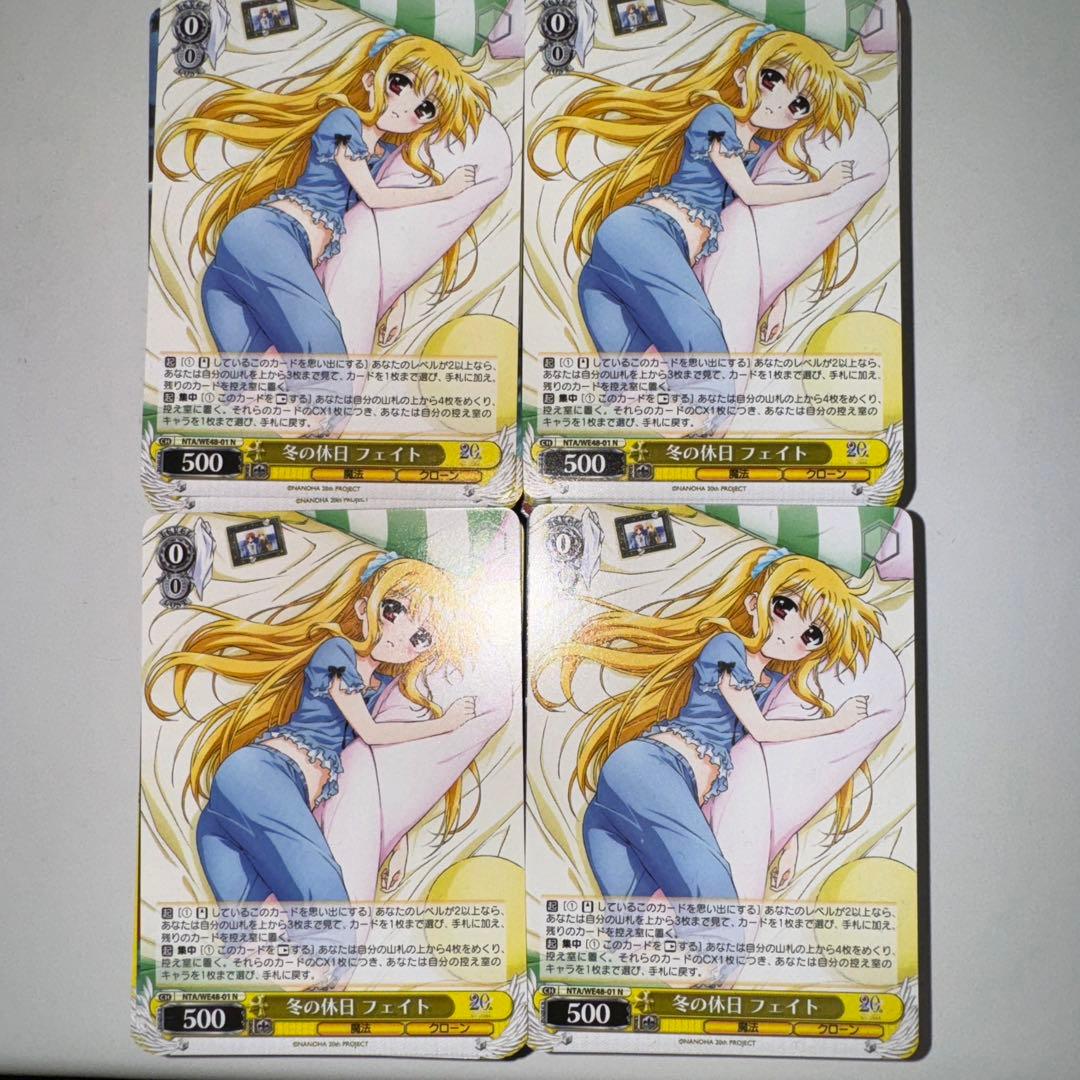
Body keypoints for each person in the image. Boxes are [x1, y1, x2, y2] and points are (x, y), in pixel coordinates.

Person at [535, 546, 880, 900]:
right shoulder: (727, 649)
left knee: (645, 926)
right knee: (717, 908)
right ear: (753, 603)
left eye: (812, 634)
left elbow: (769, 768)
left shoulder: (776, 688)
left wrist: (787, 839)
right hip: (653, 770)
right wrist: (837, 723)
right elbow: (761, 730)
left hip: (625, 814)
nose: (792, 633)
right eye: (784, 607)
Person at [528, 23, 865, 364]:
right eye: (771, 79)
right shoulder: (717, 117)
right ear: (742, 75)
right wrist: (822, 187)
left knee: (635, 381)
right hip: (646, 233)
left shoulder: (762, 153)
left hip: (617, 275)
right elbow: (749, 194)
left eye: (799, 104)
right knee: (708, 364)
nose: (779, 104)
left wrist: (777, 295)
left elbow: (757, 229)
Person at [157, 28, 490, 354]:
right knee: (327, 367)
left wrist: (394, 297)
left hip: (238, 277)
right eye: (399, 84)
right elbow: (374, 197)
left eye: (425, 108)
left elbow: (378, 230)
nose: (405, 107)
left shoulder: (387, 157)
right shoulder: (344, 123)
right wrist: (445, 191)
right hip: (269, 236)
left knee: (265, 383)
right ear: (370, 80)